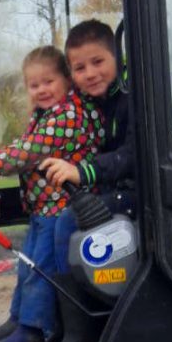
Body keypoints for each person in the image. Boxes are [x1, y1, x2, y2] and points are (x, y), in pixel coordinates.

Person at [0, 46, 103, 342]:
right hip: (43, 208)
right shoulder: (47, 114)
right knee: (27, 267)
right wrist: (0, 154)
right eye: (34, 85)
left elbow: (32, 150)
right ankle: (17, 321)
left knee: (40, 269)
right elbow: (25, 143)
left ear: (66, 81)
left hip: (60, 208)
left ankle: (34, 331)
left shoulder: (69, 115)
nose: (41, 90)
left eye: (49, 82)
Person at [41, 19, 135, 270]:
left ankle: (71, 301)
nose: (91, 74)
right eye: (80, 68)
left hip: (139, 193)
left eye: (98, 62)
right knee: (49, 218)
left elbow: (130, 156)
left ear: (118, 57)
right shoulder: (86, 104)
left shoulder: (134, 96)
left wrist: (81, 172)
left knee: (69, 222)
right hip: (110, 186)